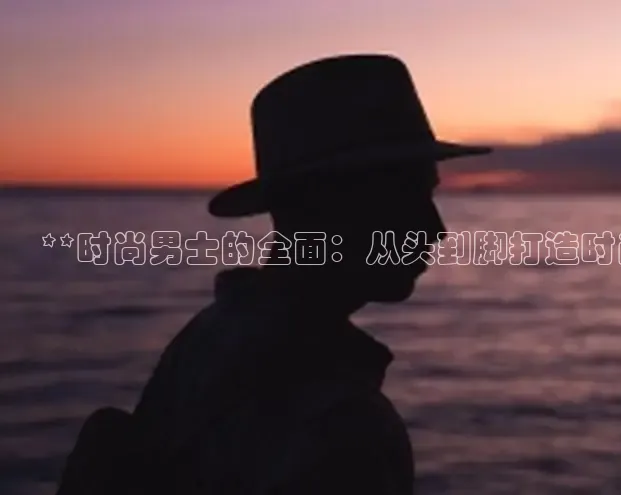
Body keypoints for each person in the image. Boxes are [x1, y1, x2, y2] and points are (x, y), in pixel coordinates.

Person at [57, 53, 491, 494]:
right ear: (322, 209)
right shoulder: (345, 430)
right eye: (406, 198)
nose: (435, 228)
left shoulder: (207, 338)